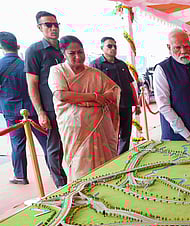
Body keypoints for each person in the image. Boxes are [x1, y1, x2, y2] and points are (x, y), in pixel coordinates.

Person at [49, 36, 120, 182]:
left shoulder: (94, 73)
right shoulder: (57, 71)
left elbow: (113, 91)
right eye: (72, 53)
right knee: (79, 165)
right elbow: (61, 95)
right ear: (64, 54)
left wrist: (97, 99)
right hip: (74, 129)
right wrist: (95, 97)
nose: (78, 56)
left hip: (100, 125)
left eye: (80, 52)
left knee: (105, 164)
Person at [24, 10, 67, 187]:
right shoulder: (34, 51)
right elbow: (32, 84)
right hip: (50, 108)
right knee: (55, 148)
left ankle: (75, 178)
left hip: (70, 105)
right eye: (48, 25)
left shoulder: (65, 48)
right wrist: (40, 112)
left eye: (55, 24)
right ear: (39, 27)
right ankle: (61, 185)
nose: (53, 28)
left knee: (71, 144)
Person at [0, 32, 49, 185]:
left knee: (17, 144)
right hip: (33, 109)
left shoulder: (0, 65)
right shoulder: (26, 65)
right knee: (46, 142)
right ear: (17, 46)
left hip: (11, 111)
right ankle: (56, 171)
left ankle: (20, 176)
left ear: (2, 47)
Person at [90, 37, 140, 155]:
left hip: (125, 104)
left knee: (126, 134)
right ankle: (111, 158)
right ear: (102, 48)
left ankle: (122, 157)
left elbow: (130, 84)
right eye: (109, 46)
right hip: (109, 107)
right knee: (111, 135)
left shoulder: (122, 64)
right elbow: (93, 87)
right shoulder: (96, 65)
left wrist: (136, 103)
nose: (113, 48)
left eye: (115, 46)